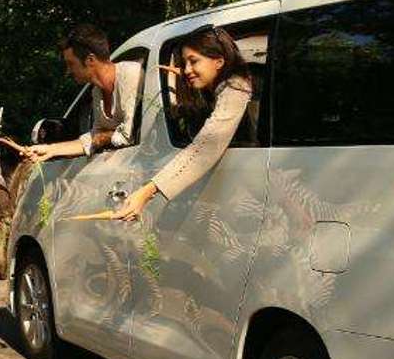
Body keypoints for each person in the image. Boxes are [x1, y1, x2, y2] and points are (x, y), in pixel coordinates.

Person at [109, 25, 252, 221]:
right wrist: (177, 79)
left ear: (219, 61)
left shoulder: (236, 88)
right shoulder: (213, 89)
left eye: (193, 62)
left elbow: (206, 145)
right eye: (184, 64)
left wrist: (146, 192)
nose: (187, 70)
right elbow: (179, 110)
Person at [23, 23, 140, 162]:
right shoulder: (97, 91)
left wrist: (104, 137)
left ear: (90, 60)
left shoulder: (131, 75)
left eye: (71, 64)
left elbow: (128, 136)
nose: (68, 71)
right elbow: (93, 138)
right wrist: (50, 150)